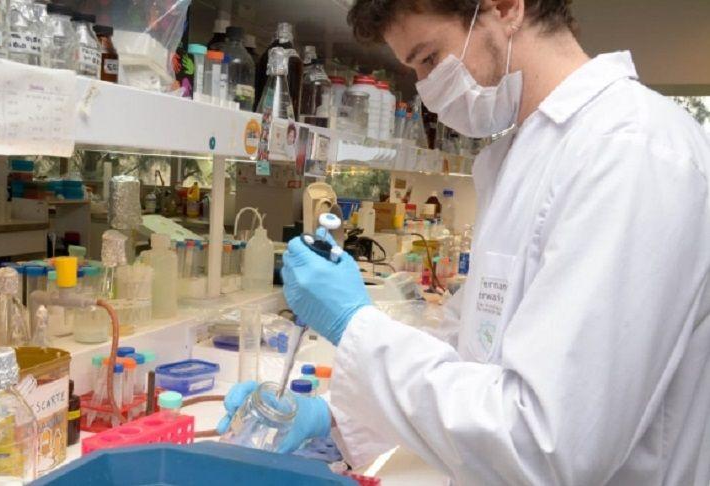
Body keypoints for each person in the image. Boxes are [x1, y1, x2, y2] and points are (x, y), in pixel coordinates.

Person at [219, 1, 710, 484]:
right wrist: (334, 415)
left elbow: (547, 444)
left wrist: (356, 326)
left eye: (430, 58)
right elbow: (472, 353)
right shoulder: (526, 154)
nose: (427, 91)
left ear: (506, 7)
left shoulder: (629, 152)